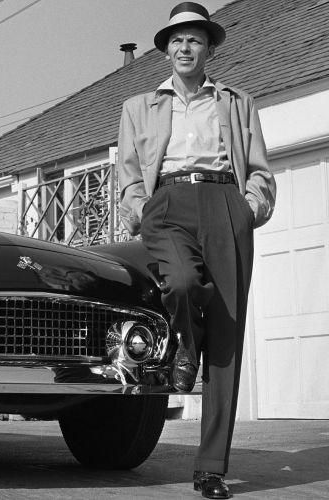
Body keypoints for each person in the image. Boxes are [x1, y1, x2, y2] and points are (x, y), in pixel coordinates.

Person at [117, 2, 276, 499]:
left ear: (208, 48)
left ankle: (211, 468)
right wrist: (140, 209)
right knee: (181, 282)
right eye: (177, 40)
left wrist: (248, 208)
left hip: (225, 203)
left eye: (195, 40)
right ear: (165, 50)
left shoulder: (235, 101)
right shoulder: (138, 107)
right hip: (166, 202)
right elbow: (127, 173)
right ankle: (186, 342)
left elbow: (259, 169)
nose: (185, 48)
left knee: (226, 337)